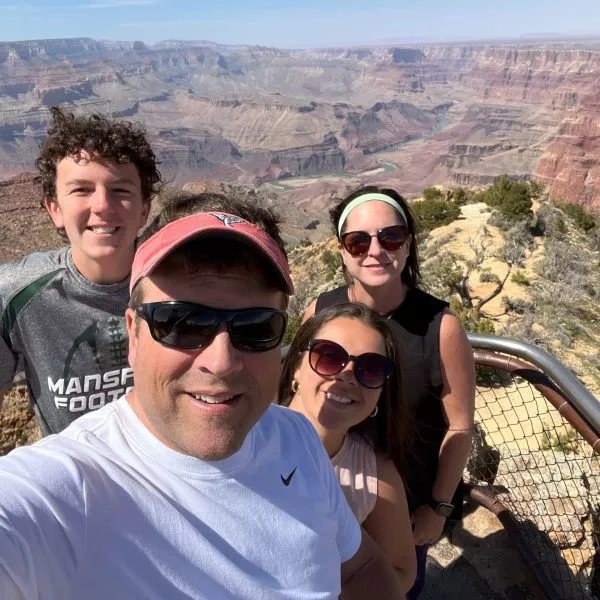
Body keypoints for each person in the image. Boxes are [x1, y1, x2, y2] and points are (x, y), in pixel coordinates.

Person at [0, 193, 405, 599]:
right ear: (133, 334)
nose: (222, 360)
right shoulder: (69, 492)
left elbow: (360, 566)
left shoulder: (295, 437)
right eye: (182, 322)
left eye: (256, 326)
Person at [303, 185, 476, 599]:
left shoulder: (439, 327)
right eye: (358, 241)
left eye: (391, 237)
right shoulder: (320, 312)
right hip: (325, 501)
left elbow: (460, 427)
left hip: (406, 514)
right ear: (342, 251)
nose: (375, 250)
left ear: (409, 243)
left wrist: (439, 508)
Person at [0, 106, 162, 434]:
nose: (102, 205)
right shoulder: (17, 295)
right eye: (81, 190)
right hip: (77, 478)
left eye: (121, 190)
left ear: (144, 208)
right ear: (55, 209)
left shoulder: (174, 283)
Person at [279, 302, 418, 595]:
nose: (347, 374)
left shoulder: (373, 471)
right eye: (329, 357)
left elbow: (402, 571)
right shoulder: (245, 436)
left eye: (371, 369)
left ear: (381, 393)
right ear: (297, 367)